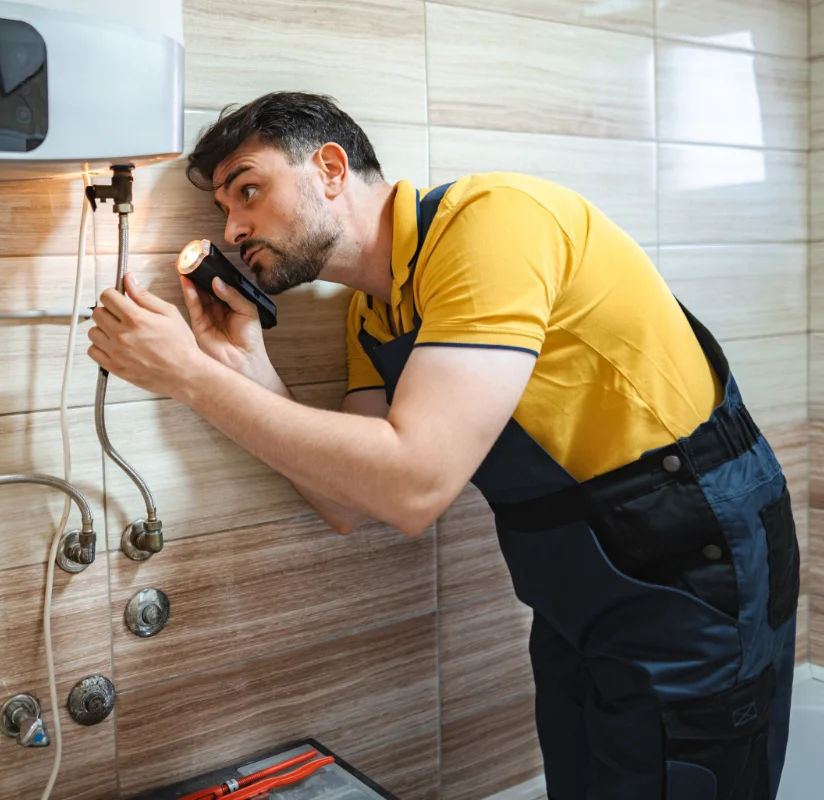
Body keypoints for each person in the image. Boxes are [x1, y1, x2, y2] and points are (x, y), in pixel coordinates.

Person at [86, 91, 798, 799]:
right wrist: (246, 367)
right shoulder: (373, 312)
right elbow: (348, 505)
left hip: (690, 559)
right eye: (225, 213)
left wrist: (187, 378)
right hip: (577, 589)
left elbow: (413, 488)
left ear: (331, 168)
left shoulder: (491, 226)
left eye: (248, 190)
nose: (234, 228)